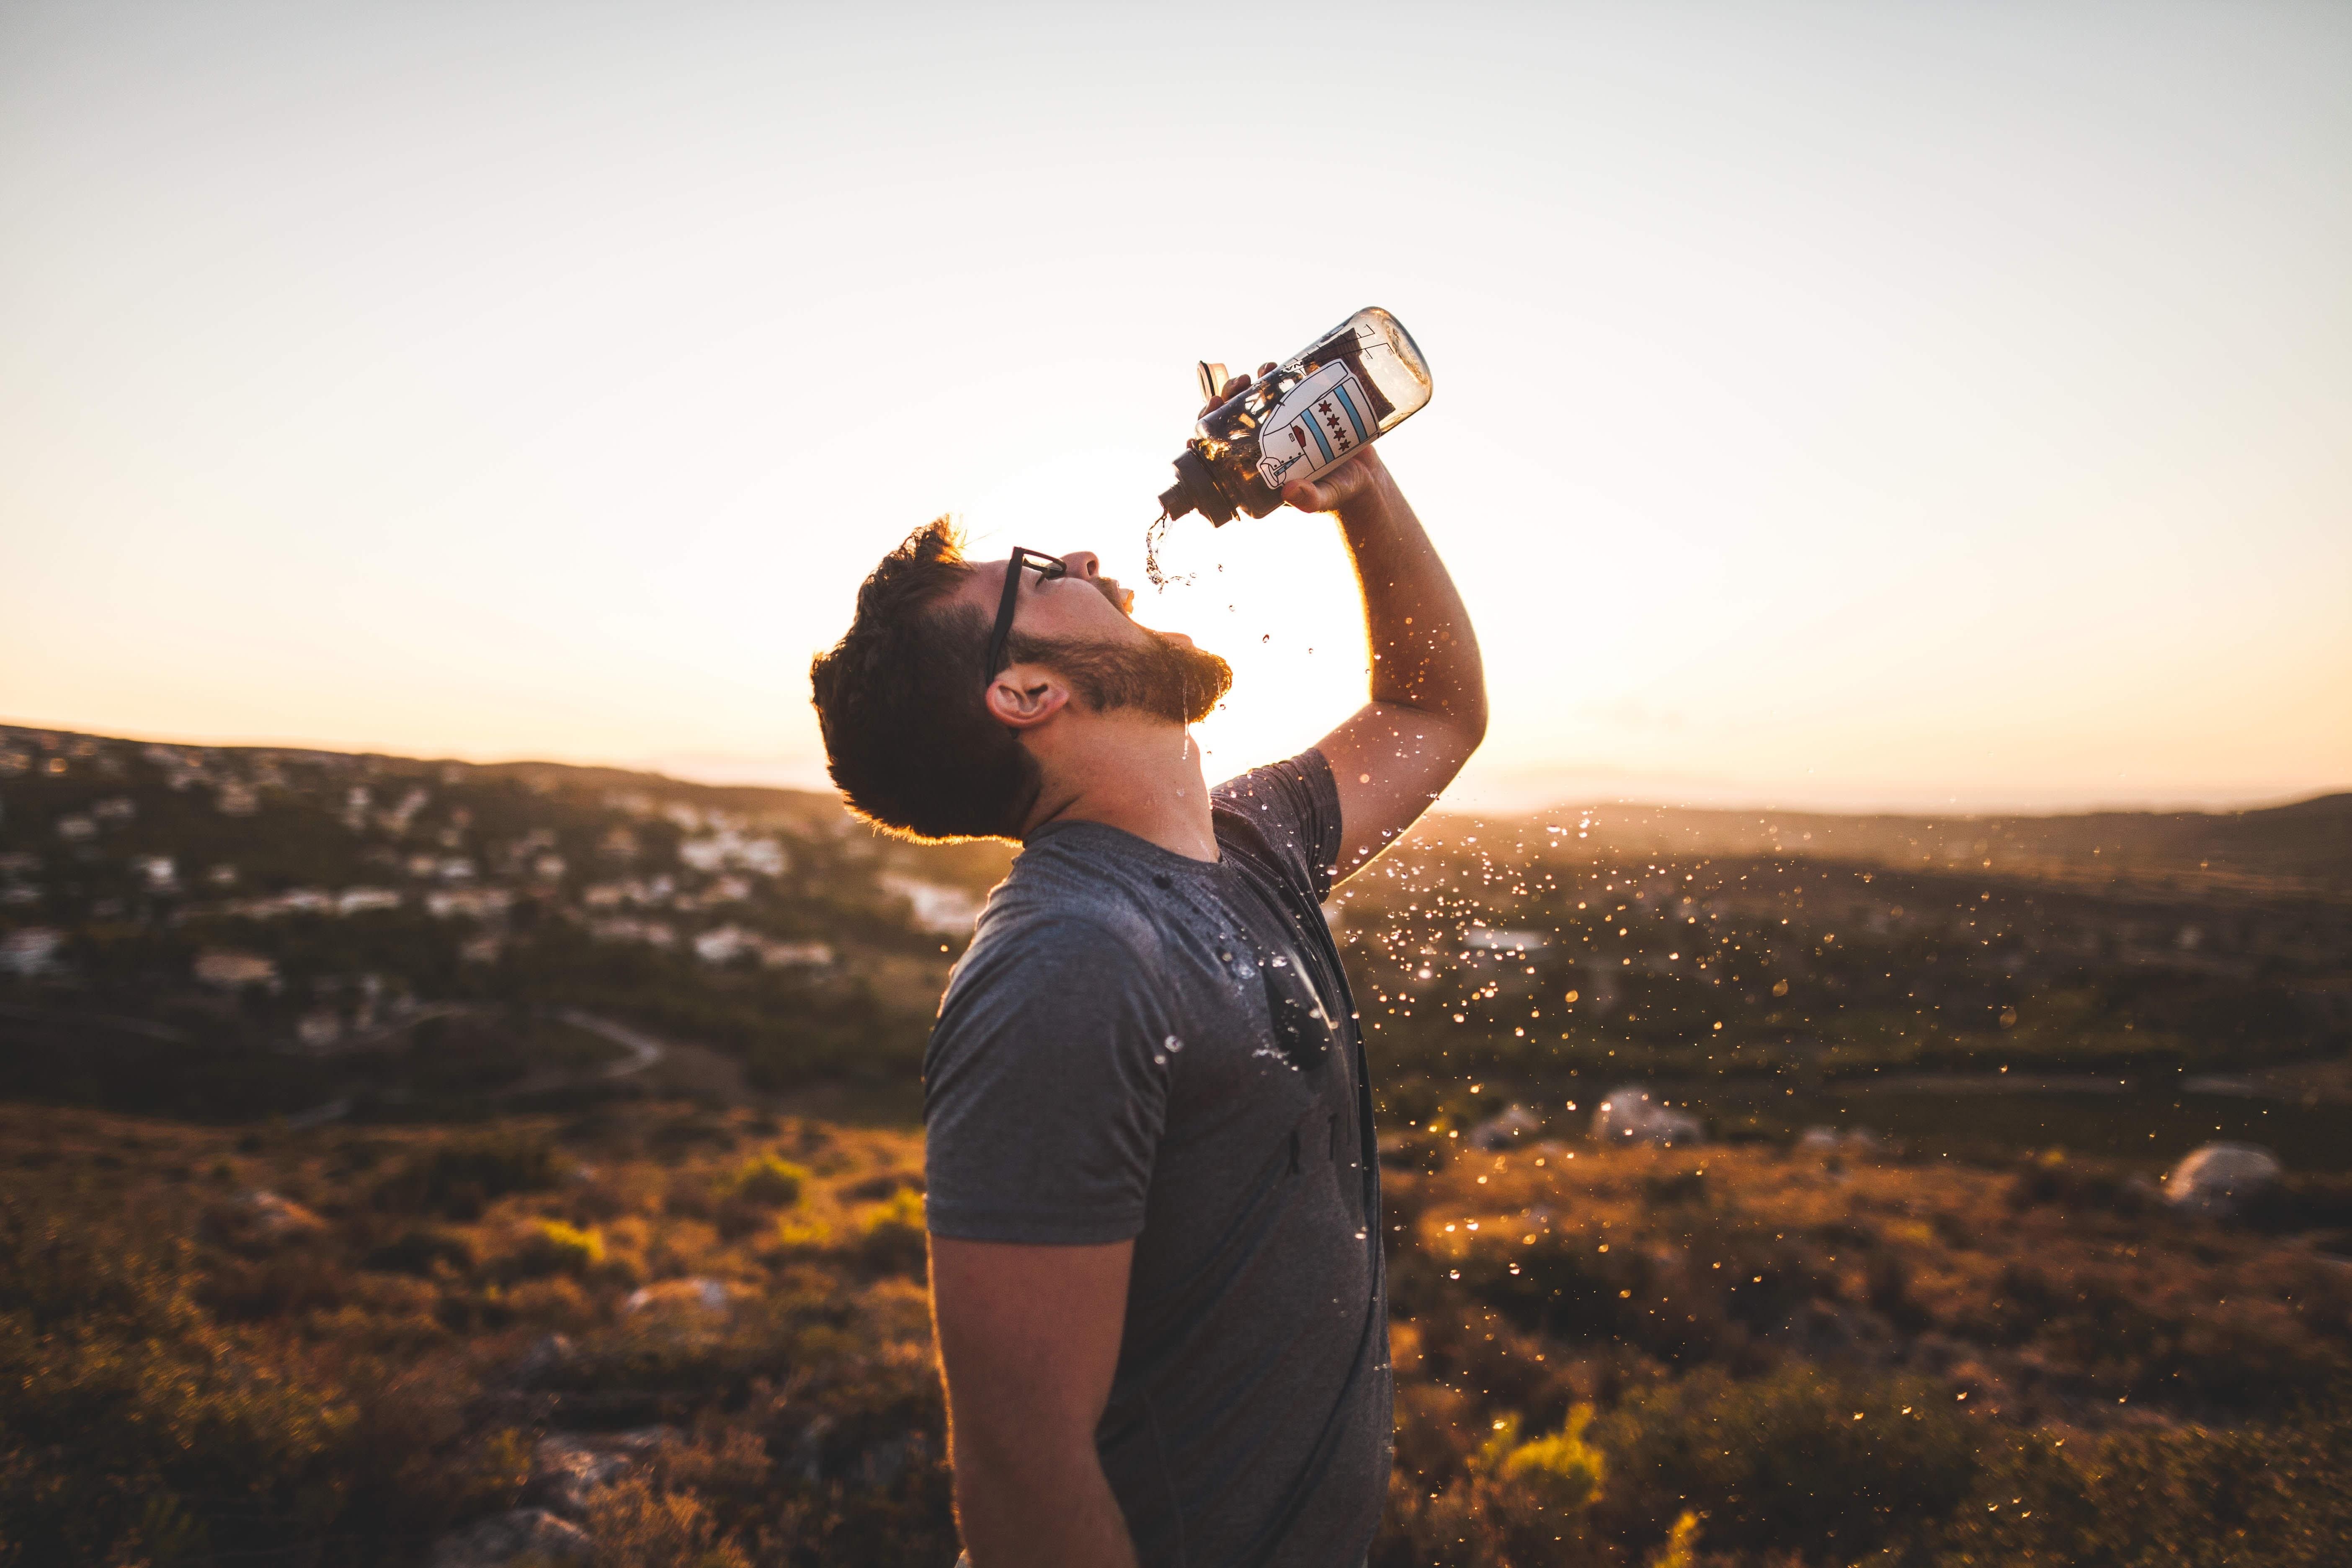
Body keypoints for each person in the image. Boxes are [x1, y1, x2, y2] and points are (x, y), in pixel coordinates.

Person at [807, 368, 1484, 1568]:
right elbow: (1022, 1471)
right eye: (1043, 577)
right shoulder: (1069, 967)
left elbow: (1432, 711)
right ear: (1026, 692)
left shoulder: (1248, 847)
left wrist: (1364, 491)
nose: (1086, 558)